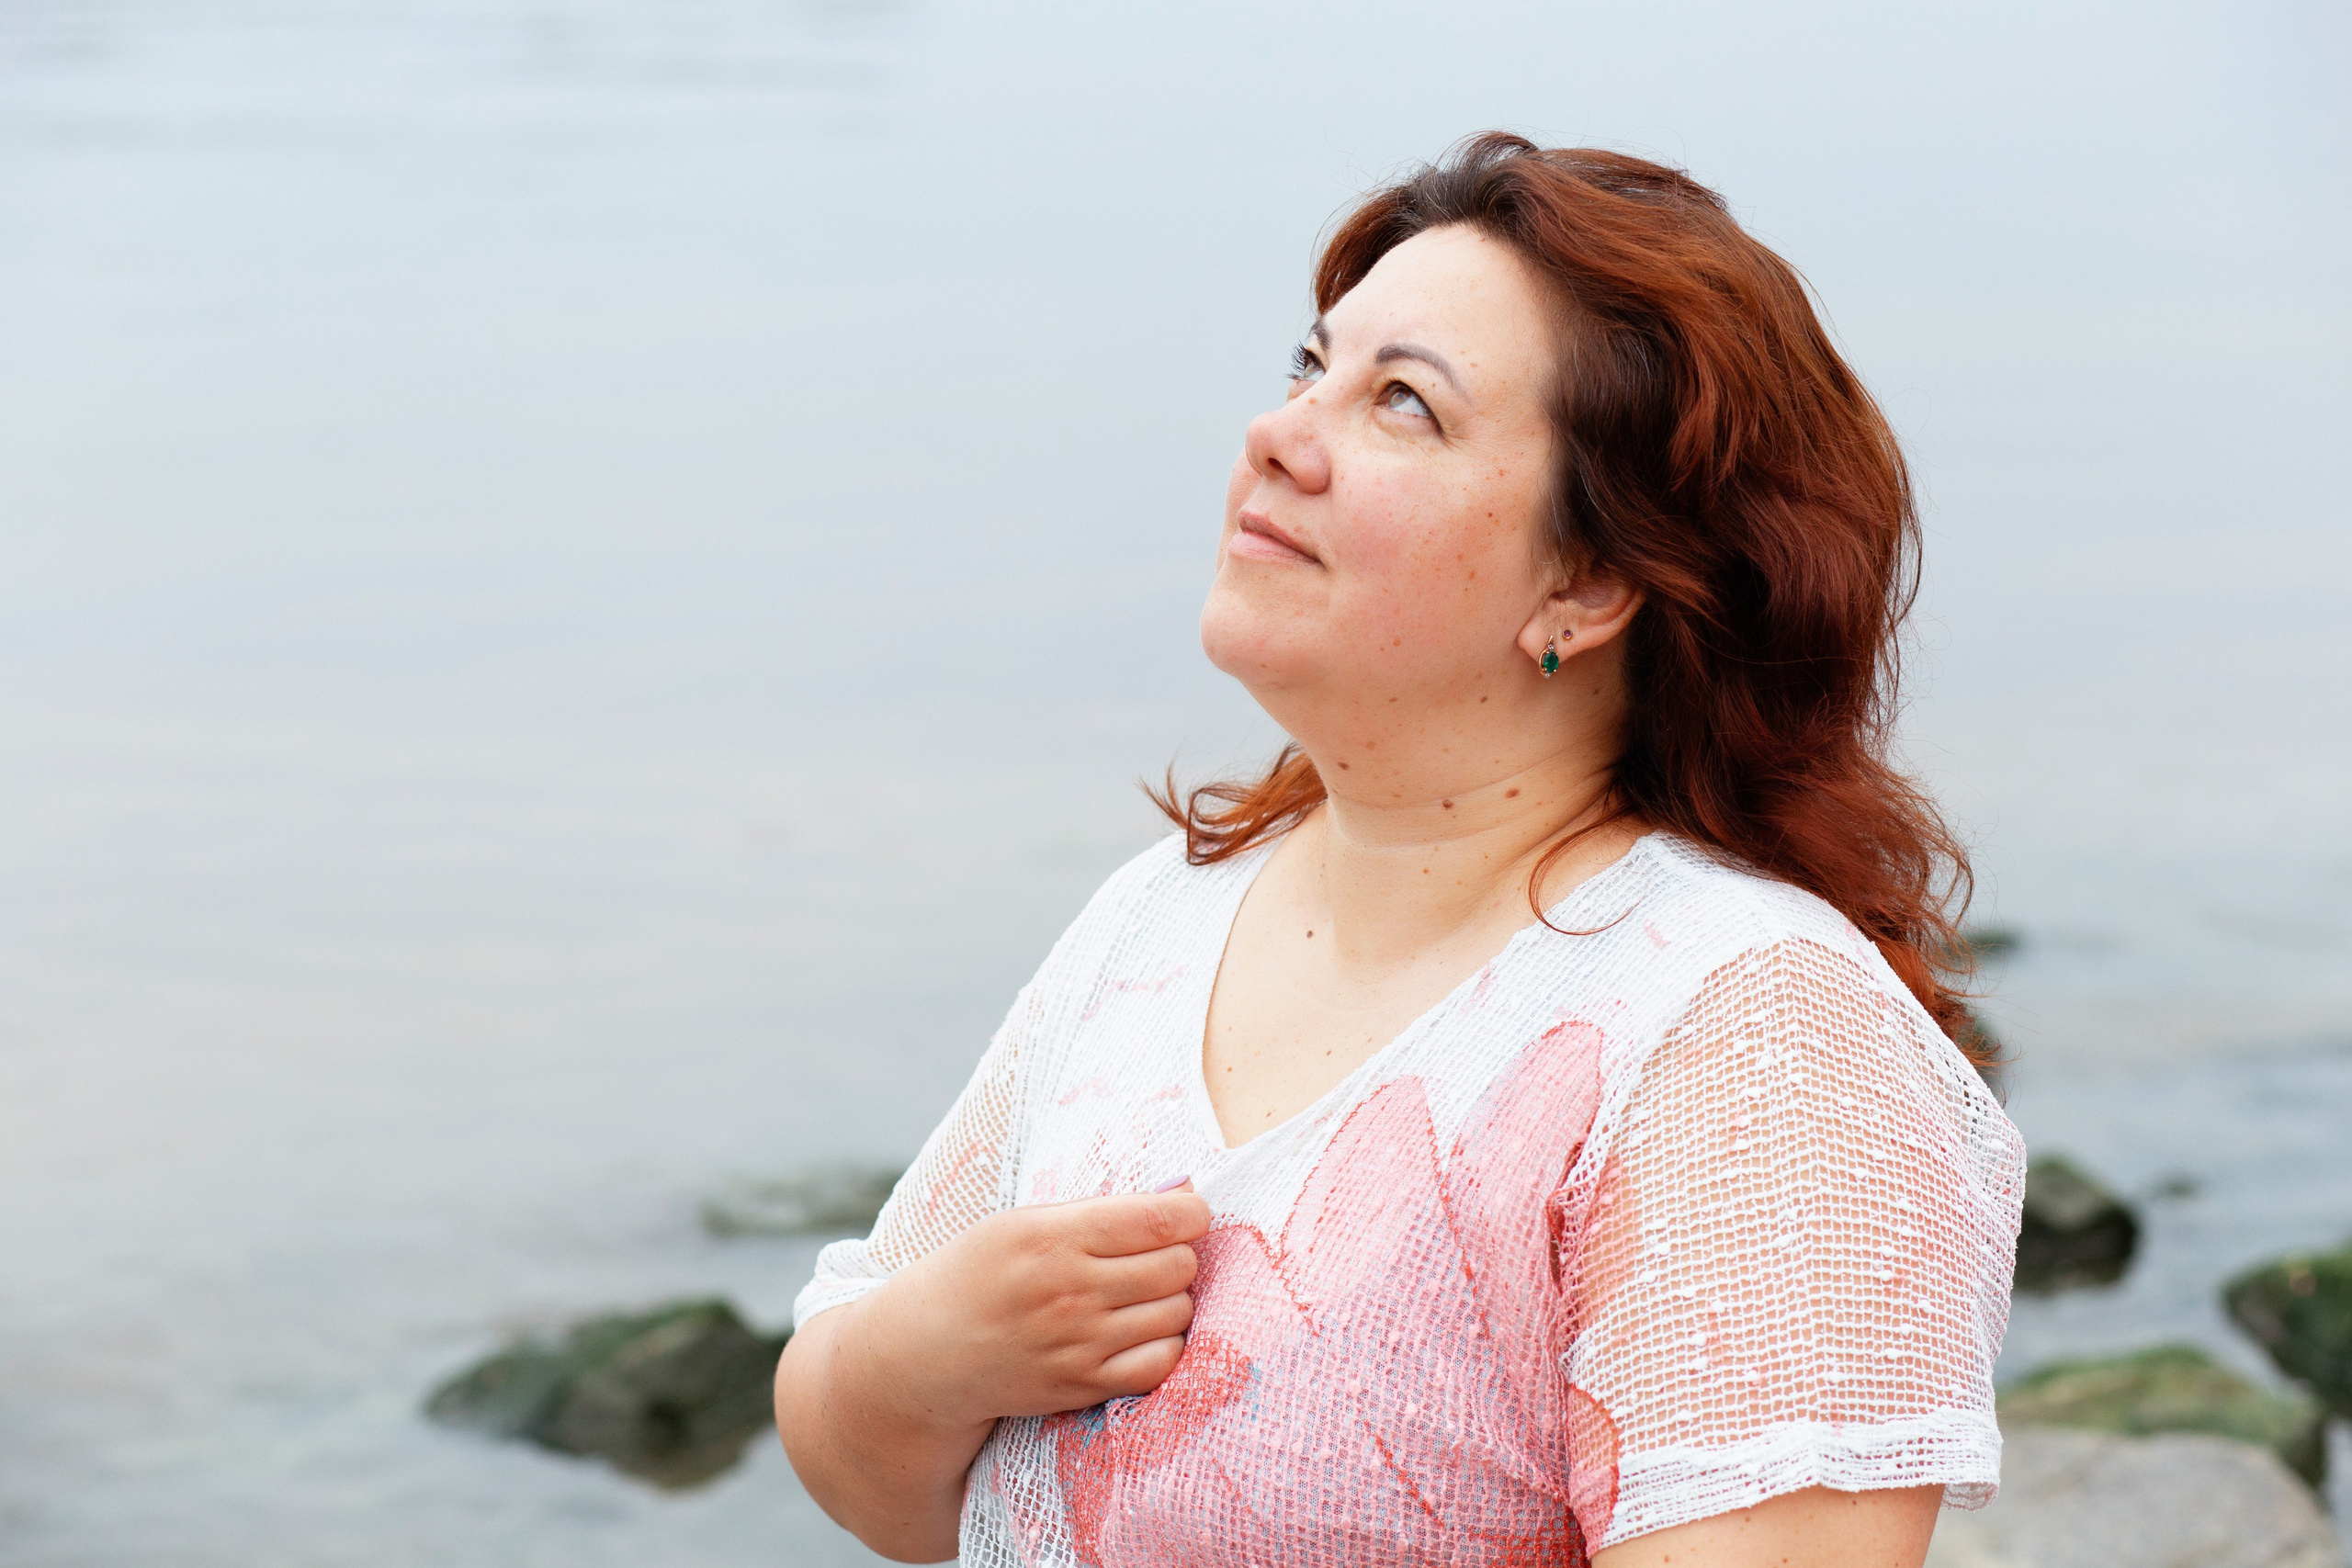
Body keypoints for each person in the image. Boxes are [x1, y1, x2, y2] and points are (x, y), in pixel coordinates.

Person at [773, 132, 2024, 1568]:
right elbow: (871, 1473)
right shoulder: (1163, 924)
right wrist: (920, 1360)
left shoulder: (1756, 1043)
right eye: (1313, 367)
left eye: (1402, 405)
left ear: (1595, 579)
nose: (1280, 431)